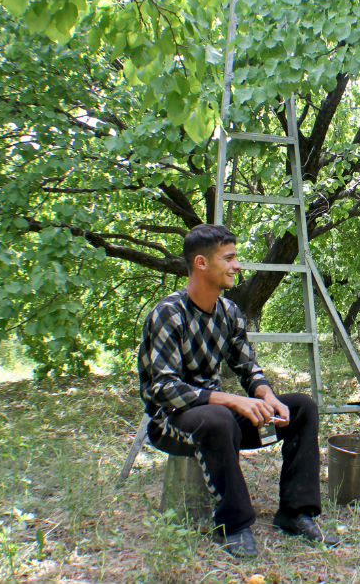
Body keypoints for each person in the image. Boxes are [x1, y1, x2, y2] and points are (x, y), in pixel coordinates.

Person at [137, 224, 337, 558]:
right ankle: (234, 524)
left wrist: (267, 396)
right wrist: (232, 400)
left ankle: (295, 512)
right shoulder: (169, 313)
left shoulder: (229, 312)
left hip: (221, 422)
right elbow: (162, 387)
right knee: (218, 418)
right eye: (229, 258)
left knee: (302, 406)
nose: (237, 266)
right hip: (171, 425)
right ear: (201, 263)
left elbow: (248, 368)